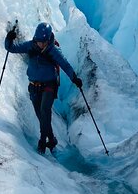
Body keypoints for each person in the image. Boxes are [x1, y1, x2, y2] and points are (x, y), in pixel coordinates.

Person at [5, 22, 83, 154]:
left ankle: (42, 141)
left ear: (48, 40)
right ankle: (52, 139)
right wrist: (9, 37)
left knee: (44, 111)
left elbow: (65, 65)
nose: (40, 44)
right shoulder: (30, 46)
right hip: (34, 86)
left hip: (49, 86)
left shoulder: (53, 51)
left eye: (43, 41)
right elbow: (11, 48)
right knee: (41, 116)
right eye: (39, 41)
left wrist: (74, 78)